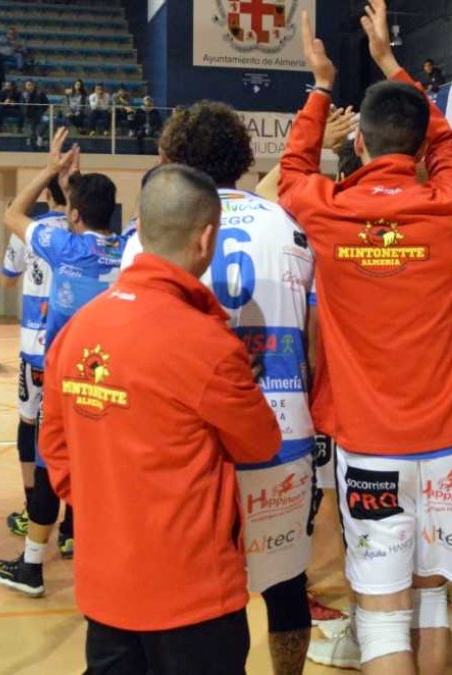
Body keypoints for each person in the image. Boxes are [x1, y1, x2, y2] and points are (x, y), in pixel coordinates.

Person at [278, 2, 452, 672]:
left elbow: (290, 173)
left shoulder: (330, 208)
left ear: (361, 145)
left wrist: (320, 85)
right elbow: (450, 143)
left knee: (380, 608)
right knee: (431, 596)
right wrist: (389, 63)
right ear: (419, 148)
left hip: (371, 442)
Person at [40, 162, 280, 674]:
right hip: (193, 597)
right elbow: (260, 444)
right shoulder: (208, 345)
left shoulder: (78, 331)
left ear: (142, 230)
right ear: (207, 238)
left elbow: (55, 449)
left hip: (106, 588)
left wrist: (108, 510)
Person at [119, 101, 320, 675]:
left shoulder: (148, 235)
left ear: (173, 160)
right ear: (240, 156)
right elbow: (316, 339)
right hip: (281, 432)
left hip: (187, 443)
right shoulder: (288, 225)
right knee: (286, 586)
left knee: (195, 589)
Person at [0, 132, 126, 596]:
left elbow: (12, 214)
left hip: (64, 380)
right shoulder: (131, 249)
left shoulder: (64, 245)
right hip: (117, 379)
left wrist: (51, 170)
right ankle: (98, 554)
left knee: (50, 468)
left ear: (72, 216)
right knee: (106, 468)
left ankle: (32, 567)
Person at [0, 171, 70, 545]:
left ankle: (33, 509)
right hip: (76, 346)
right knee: (77, 426)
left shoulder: (31, 229)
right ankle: (72, 527)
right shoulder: (87, 231)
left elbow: (8, 278)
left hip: (36, 346)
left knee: (31, 425)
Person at [19, 80, 49, 148]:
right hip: (28, 116)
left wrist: (41, 110)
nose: (29, 86)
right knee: (31, 134)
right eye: (27, 85)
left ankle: (40, 137)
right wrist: (25, 112)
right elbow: (21, 105)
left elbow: (46, 104)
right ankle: (32, 143)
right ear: (25, 86)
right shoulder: (23, 94)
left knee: (47, 121)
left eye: (30, 85)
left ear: (33, 85)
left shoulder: (40, 93)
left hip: (39, 115)